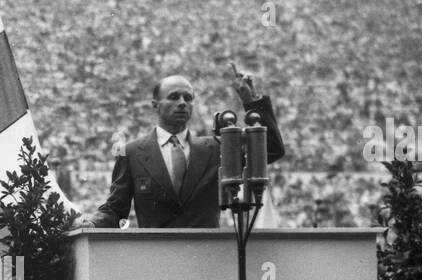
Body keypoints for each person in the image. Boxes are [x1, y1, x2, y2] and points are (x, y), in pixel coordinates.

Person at [81, 66, 286, 230]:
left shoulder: (216, 148)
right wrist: (91, 224)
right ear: (155, 105)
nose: (182, 103)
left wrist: (251, 101)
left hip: (206, 258)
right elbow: (116, 209)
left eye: (188, 98)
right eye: (174, 97)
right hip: (157, 259)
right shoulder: (132, 153)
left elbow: (271, 150)